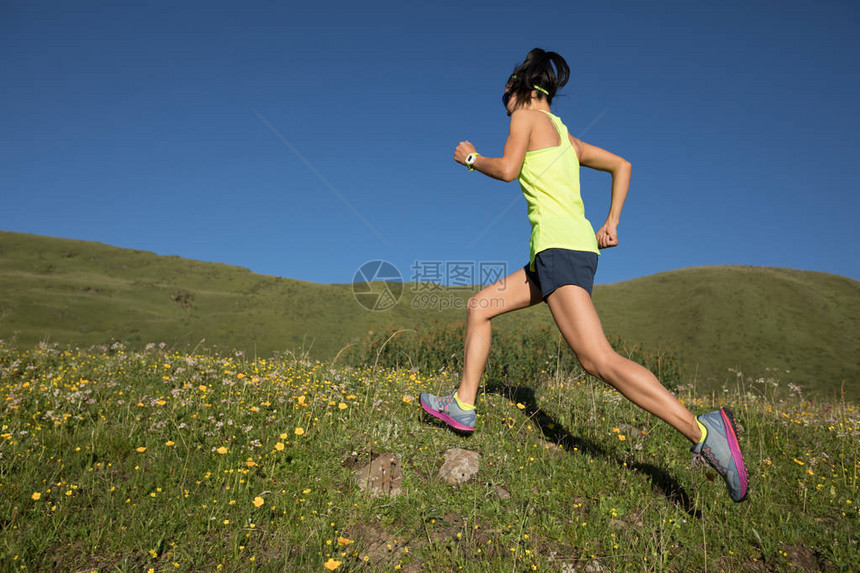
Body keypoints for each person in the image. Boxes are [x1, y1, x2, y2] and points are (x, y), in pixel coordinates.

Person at [419, 48, 748, 502]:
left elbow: (508, 169)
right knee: (481, 306)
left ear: (524, 90)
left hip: (560, 251)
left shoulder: (527, 118)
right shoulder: (568, 139)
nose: (507, 108)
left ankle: (703, 433)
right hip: (560, 253)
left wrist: (472, 158)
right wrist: (611, 222)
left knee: (598, 360)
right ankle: (463, 406)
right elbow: (622, 165)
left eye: (507, 99)